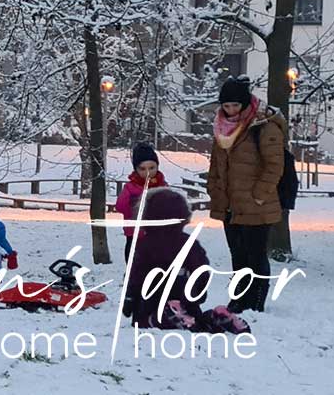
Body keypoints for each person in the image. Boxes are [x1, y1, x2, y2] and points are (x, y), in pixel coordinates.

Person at [206, 77, 286, 314]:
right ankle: (239, 298)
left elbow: (274, 166)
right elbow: (215, 164)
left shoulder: (263, 126)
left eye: (235, 105)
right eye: (226, 106)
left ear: (245, 103)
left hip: (256, 205)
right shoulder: (221, 129)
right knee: (237, 255)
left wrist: (259, 195)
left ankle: (257, 299)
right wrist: (214, 189)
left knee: (255, 255)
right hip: (229, 204)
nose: (231, 111)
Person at [125, 187, 214, 329]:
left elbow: (136, 274)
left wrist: (129, 299)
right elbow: (201, 270)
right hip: (184, 296)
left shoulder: (145, 245)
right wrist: (198, 293)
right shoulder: (189, 243)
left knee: (145, 310)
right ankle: (190, 315)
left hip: (152, 300)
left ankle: (158, 318)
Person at [115, 142, 168, 261]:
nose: (148, 172)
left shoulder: (163, 186)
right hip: (135, 236)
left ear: (157, 166)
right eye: (143, 169)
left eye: (152, 168)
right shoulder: (131, 187)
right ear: (136, 169)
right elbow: (120, 206)